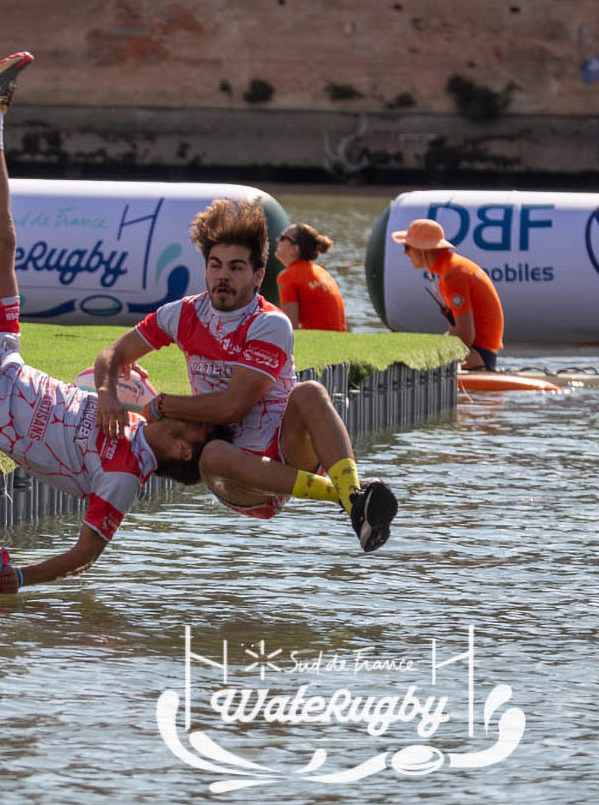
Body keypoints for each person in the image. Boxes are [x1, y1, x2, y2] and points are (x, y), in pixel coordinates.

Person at [0, 63, 219, 595]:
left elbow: (84, 556)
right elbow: (103, 364)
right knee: (2, 244)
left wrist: (17, 578)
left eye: (197, 423)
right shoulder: (137, 410)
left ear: (185, 450)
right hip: (5, 360)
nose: (189, 408)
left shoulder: (123, 478)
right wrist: (109, 392)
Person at [94, 199, 397, 552]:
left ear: (257, 277)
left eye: (236, 267)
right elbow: (112, 354)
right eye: (215, 265)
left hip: (284, 450)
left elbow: (232, 407)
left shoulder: (269, 324)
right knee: (213, 454)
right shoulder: (180, 314)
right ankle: (348, 500)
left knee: (311, 392)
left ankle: (354, 495)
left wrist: (162, 404)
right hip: (234, 474)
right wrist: (107, 395)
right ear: (205, 270)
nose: (223, 275)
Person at [392, 218, 504, 371]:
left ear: (423, 249)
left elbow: (465, 336)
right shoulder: (450, 269)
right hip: (480, 352)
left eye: (407, 247)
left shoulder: (453, 275)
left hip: (479, 355)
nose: (405, 253)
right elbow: (456, 330)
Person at [275, 222, 347, 331]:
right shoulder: (322, 271)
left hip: (321, 340)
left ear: (295, 248)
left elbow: (290, 328)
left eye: (282, 238)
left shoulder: (287, 277)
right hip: (339, 338)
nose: (277, 240)